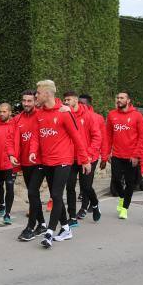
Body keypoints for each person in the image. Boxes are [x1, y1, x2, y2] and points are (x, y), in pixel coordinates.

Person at [34, 80, 90, 248]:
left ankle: (50, 233)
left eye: (38, 92)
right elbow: (38, 136)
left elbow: (77, 137)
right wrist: (32, 152)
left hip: (64, 161)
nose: (36, 95)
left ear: (47, 93)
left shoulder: (64, 113)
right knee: (56, 196)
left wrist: (85, 159)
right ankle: (66, 228)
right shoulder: (40, 114)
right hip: (47, 162)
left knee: (57, 196)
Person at [101, 91, 143, 220]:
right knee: (115, 180)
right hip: (117, 155)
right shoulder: (112, 115)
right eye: (118, 98)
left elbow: (142, 137)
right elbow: (108, 136)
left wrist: (136, 155)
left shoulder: (137, 116)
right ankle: (122, 197)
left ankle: (125, 208)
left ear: (128, 100)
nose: (119, 100)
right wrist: (106, 154)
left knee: (130, 183)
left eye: (122, 98)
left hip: (132, 156)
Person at [8, 90, 45, 241]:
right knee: (33, 194)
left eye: (29, 101)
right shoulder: (17, 119)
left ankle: (30, 227)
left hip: (40, 162)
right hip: (24, 162)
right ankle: (42, 224)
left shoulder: (41, 116)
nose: (26, 104)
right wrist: (11, 154)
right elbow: (10, 138)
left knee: (32, 192)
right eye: (24, 100)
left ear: (35, 101)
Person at [62, 91, 101, 227]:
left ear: (76, 100)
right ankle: (72, 217)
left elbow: (97, 137)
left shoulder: (89, 116)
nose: (66, 102)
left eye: (68, 100)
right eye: (64, 100)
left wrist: (88, 156)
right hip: (71, 158)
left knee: (86, 186)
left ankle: (95, 204)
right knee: (70, 186)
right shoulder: (65, 115)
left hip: (88, 158)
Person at [74, 93, 103, 222]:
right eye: (78, 102)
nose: (79, 105)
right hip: (75, 156)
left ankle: (89, 206)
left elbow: (101, 138)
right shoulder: (71, 115)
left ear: (89, 105)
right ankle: (83, 208)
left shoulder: (96, 118)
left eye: (82, 103)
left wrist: (104, 155)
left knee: (86, 184)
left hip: (91, 157)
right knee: (76, 185)